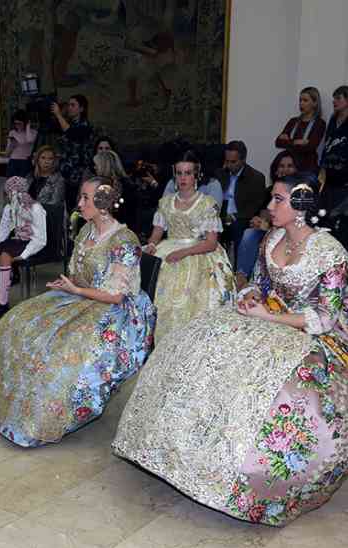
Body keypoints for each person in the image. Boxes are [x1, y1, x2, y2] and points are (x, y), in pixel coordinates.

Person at [114, 174, 348, 526]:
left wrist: (270, 317)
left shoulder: (331, 252)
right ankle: (183, 454)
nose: (269, 206)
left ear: (301, 205)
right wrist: (251, 296)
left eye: (278, 200)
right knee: (197, 343)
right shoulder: (273, 238)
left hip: (309, 331)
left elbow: (326, 318)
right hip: (265, 316)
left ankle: (242, 477)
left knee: (282, 386)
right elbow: (259, 283)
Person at [0, 176, 156, 447]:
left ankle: (41, 420)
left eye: (86, 198)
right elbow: (78, 274)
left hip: (115, 312)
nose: (80, 203)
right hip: (80, 296)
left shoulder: (124, 240)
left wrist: (76, 289)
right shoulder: (86, 231)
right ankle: (10, 406)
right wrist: (67, 284)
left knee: (63, 348)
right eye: (81, 197)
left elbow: (116, 295)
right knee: (18, 321)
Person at [145, 150, 235, 342]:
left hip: (198, 251)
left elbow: (211, 243)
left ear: (196, 175)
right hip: (168, 248)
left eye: (188, 173)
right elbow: (157, 232)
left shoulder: (207, 203)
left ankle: (191, 342)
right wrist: (151, 244)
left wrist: (183, 253)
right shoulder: (166, 202)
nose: (183, 178)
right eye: (179, 173)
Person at [0, 176, 47, 319]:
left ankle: (3, 302)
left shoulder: (36, 208)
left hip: (31, 243)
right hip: (16, 240)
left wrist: (24, 255)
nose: (10, 196)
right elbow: (3, 230)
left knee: (5, 257)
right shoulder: (9, 208)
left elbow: (40, 239)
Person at [235, 151, 300, 286]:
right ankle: (241, 277)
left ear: (297, 169)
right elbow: (264, 214)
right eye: (281, 166)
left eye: (290, 166)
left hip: (291, 234)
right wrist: (258, 221)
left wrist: (269, 227)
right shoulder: (270, 190)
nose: (285, 170)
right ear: (276, 170)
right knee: (249, 233)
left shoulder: (301, 193)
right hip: (269, 230)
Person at [219, 140, 268, 253]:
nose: (229, 165)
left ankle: (239, 264)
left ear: (243, 160)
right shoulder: (220, 174)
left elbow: (255, 206)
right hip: (220, 216)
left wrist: (233, 216)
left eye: (233, 162)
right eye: (227, 161)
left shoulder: (256, 177)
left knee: (238, 228)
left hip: (241, 218)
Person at [52, 94, 94, 211]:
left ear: (81, 109)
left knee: (76, 207)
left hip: (77, 174)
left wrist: (58, 114)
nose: (69, 108)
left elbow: (72, 133)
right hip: (66, 173)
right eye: (68, 105)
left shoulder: (85, 126)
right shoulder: (69, 123)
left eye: (73, 105)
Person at [320, 86, 348, 247]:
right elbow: (327, 145)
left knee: (340, 218)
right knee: (326, 217)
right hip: (329, 175)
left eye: (338, 98)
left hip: (344, 178)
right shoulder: (333, 119)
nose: (334, 101)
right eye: (334, 98)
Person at [275, 87, 326, 174]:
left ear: (315, 103)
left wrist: (288, 141)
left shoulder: (319, 123)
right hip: (290, 169)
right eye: (300, 100)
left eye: (305, 100)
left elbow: (310, 147)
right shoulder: (293, 121)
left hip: (307, 169)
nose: (301, 103)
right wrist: (296, 142)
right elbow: (278, 142)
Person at [6, 109, 37, 177]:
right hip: (13, 162)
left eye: (19, 123)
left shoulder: (33, 132)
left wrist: (28, 127)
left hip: (25, 162)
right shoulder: (12, 132)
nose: (17, 126)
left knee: (24, 182)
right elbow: (7, 154)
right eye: (15, 123)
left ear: (25, 122)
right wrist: (12, 145)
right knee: (11, 183)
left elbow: (29, 140)